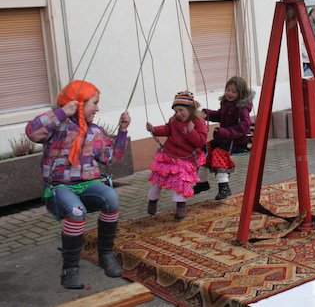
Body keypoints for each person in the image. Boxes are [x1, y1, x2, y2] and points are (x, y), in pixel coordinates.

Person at [25, 80, 131, 289]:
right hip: (60, 187)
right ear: (80, 104)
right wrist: (62, 112)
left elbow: (111, 159)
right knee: (76, 211)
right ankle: (70, 270)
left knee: (111, 198)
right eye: (95, 102)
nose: (98, 108)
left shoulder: (95, 131)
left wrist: (123, 131)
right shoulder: (57, 127)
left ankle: (106, 255)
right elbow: (32, 131)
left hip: (88, 184)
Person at [146, 91, 208, 219]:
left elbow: (200, 142)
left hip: (185, 158)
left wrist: (191, 131)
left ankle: (180, 206)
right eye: (176, 111)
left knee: (180, 182)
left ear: (190, 109)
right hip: (168, 155)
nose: (178, 114)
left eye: (181, 110)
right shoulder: (174, 120)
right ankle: (152, 201)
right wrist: (154, 130)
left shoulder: (198, 122)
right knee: (157, 180)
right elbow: (167, 129)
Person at [202, 76, 254, 199]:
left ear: (240, 93)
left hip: (238, 141)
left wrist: (225, 132)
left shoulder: (242, 108)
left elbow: (244, 127)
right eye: (228, 90)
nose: (229, 93)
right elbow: (219, 115)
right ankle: (202, 182)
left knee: (218, 153)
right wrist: (205, 114)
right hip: (225, 138)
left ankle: (224, 187)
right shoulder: (226, 103)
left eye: (234, 91)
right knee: (205, 150)